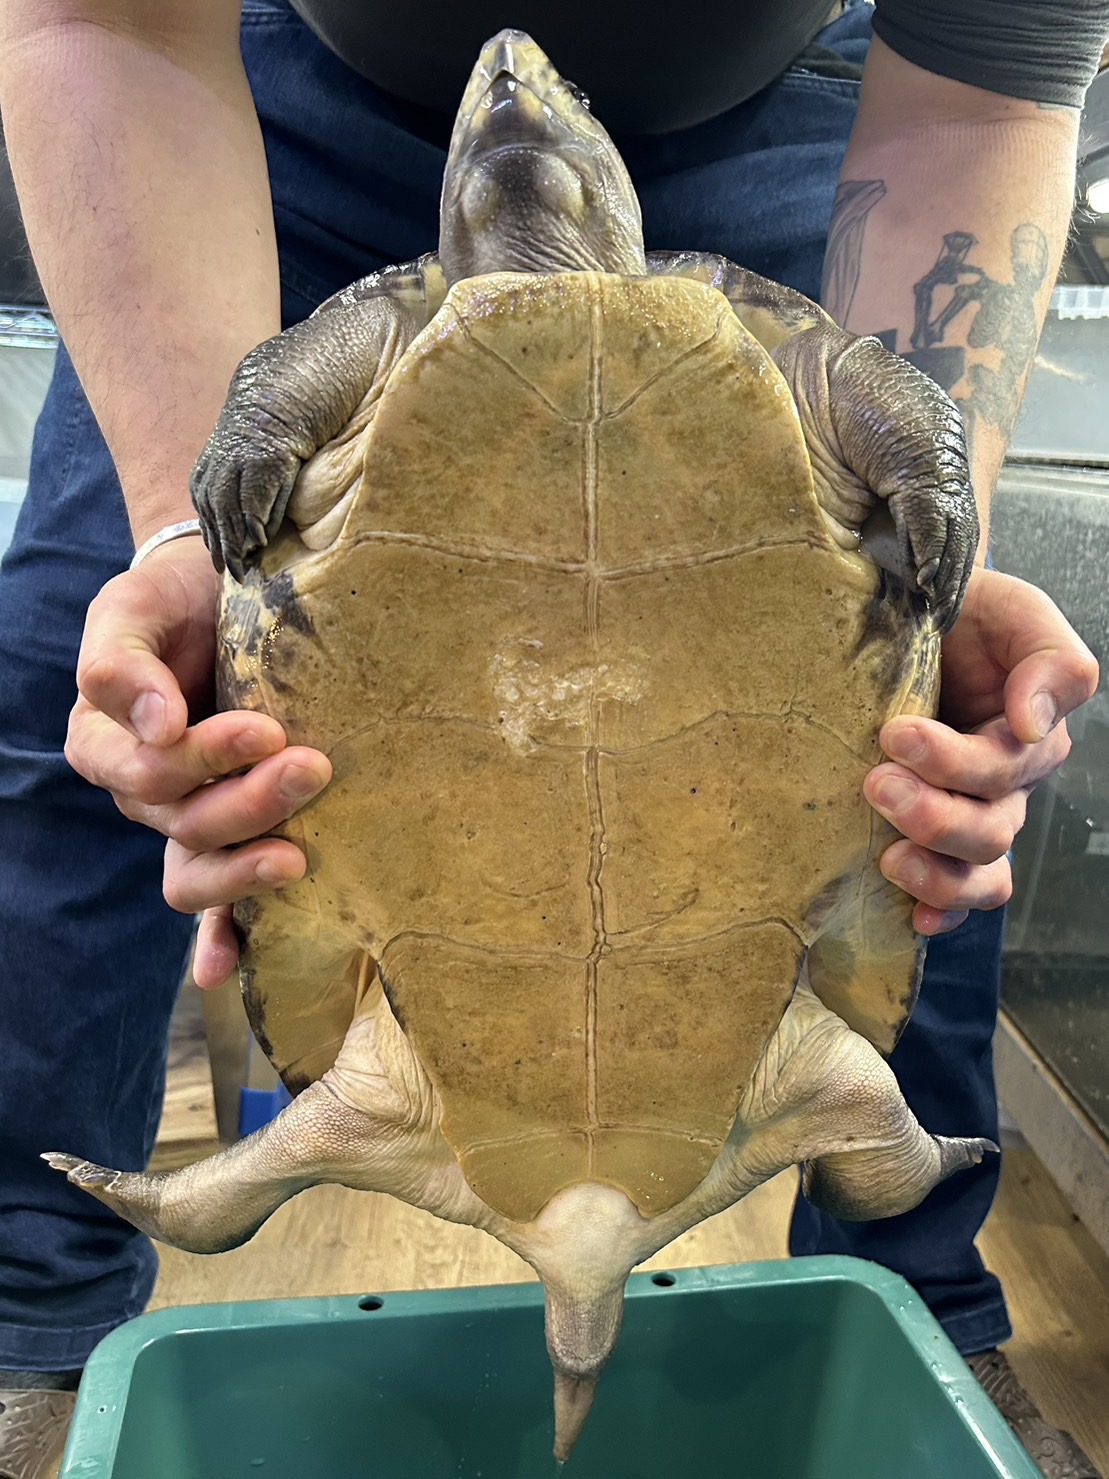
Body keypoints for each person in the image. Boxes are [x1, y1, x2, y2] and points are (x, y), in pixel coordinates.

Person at [0, 2, 1101, 1476]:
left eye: (548, 83)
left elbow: (987, 79)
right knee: (68, 685)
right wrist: (183, 539)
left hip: (794, 109)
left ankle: (928, 1305)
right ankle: (31, 1324)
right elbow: (97, 17)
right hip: (269, 116)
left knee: (940, 765)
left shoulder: (797, 331)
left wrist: (941, 547)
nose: (511, 69)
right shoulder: (372, 316)